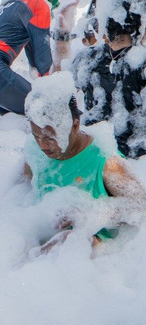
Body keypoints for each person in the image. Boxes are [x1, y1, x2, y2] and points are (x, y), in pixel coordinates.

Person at [24, 74, 146, 252]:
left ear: (74, 125)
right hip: (43, 255)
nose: (42, 144)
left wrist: (90, 214)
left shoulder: (105, 160)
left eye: (50, 137)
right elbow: (20, 195)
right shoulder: (35, 152)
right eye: (36, 136)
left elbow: (140, 205)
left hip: (93, 256)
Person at [71, 0, 146, 158]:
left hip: (94, 153)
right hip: (135, 160)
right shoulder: (141, 65)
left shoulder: (85, 59)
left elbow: (61, 81)